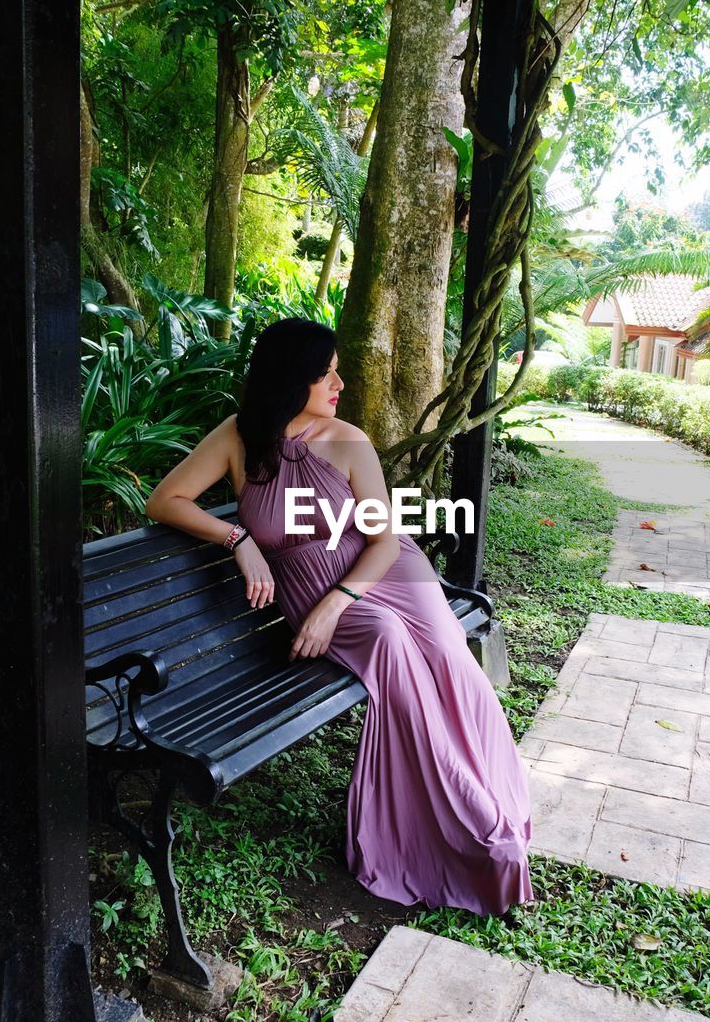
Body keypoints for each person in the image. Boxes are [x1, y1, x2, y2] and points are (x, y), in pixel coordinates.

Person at [145, 316, 534, 916]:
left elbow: (383, 540)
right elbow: (164, 500)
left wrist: (338, 601)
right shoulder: (237, 438)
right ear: (291, 379)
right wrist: (238, 540)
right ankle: (469, 829)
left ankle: (495, 798)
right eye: (326, 373)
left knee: (453, 661)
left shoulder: (349, 439)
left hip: (386, 573)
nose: (341, 383)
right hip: (313, 590)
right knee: (389, 645)